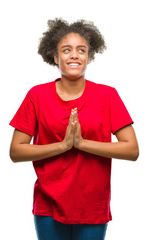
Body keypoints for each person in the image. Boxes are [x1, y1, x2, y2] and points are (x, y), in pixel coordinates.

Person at [9, 18, 139, 240]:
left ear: (89, 57)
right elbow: (16, 151)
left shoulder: (107, 96)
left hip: (92, 205)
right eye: (66, 50)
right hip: (48, 204)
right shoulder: (36, 96)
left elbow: (132, 150)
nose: (74, 55)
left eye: (81, 50)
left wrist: (81, 144)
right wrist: (63, 146)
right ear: (56, 57)